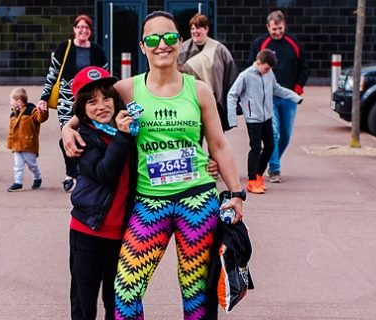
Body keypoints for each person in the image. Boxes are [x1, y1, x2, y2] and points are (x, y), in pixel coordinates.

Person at [62, 11, 245, 320]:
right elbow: (90, 107)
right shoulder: (127, 89)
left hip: (196, 201)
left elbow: (219, 144)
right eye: (153, 39)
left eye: (170, 38)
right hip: (149, 204)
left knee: (196, 294)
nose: (163, 44)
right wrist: (68, 128)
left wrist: (236, 192)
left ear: (180, 42)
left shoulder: (198, 90)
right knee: (126, 291)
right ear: (142, 46)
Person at [66, 66, 133, 320]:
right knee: (84, 301)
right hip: (88, 232)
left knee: (115, 300)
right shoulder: (82, 137)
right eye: (92, 101)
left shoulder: (125, 129)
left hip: (122, 234)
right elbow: (105, 172)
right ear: (82, 109)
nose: (102, 106)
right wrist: (123, 138)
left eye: (106, 98)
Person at [38, 14, 109, 193]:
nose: (83, 30)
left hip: (89, 102)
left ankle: (84, 171)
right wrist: (43, 98)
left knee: (86, 135)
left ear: (91, 31)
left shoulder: (98, 51)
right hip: (66, 100)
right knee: (67, 135)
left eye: (87, 27)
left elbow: (105, 77)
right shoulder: (64, 48)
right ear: (74, 29)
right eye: (80, 27)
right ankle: (70, 173)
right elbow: (52, 74)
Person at [227, 49, 302, 194]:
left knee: (270, 146)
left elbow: (276, 89)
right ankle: (251, 180)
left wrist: (294, 97)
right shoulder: (246, 76)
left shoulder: (269, 74)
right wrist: (232, 118)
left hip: (266, 116)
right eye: (266, 68)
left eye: (270, 69)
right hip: (253, 118)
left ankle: (259, 175)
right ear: (258, 62)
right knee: (256, 148)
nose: (268, 71)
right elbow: (232, 95)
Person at [249, 10, 308, 183]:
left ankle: (270, 160)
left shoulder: (293, 42)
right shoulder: (260, 43)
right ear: (268, 27)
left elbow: (303, 67)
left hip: (289, 95)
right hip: (268, 97)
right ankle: (274, 169)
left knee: (286, 134)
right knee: (272, 133)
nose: (277, 32)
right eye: (274, 29)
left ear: (284, 26)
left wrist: (297, 88)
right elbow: (250, 67)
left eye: (280, 28)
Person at [177, 13, 239, 131]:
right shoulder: (182, 50)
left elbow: (231, 74)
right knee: (195, 138)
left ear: (206, 29)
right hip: (192, 102)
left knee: (216, 139)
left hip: (215, 102)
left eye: (198, 28)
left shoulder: (219, 50)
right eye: (192, 28)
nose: (195, 31)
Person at [7, 88, 48, 192]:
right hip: (17, 145)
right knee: (18, 165)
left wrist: (43, 111)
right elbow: (12, 131)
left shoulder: (31, 111)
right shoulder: (13, 114)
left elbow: (40, 118)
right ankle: (18, 182)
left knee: (32, 165)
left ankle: (37, 177)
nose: (10, 103)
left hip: (28, 144)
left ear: (19, 102)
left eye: (12, 100)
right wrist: (10, 143)